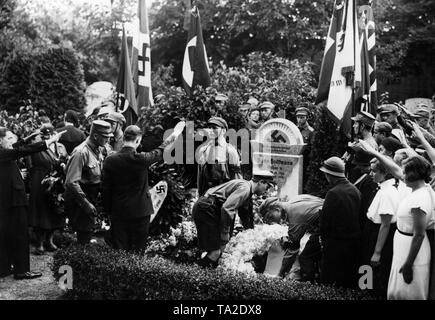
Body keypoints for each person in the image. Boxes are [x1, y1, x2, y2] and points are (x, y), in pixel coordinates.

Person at [0, 126, 64, 280]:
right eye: (9, 138)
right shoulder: (3, 153)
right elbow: (21, 151)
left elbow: (15, 147)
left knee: (5, 234)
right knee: (20, 235)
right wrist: (48, 142)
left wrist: (28, 138)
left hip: (7, 200)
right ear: (0, 141)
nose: (13, 141)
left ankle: (4, 268)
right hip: (14, 201)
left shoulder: (3, 151)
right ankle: (22, 270)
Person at [102, 125, 177, 252]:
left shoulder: (110, 160)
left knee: (120, 251)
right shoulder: (142, 159)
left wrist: (107, 211)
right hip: (141, 212)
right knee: (138, 250)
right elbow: (162, 149)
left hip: (119, 211)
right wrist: (175, 134)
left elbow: (105, 190)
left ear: (124, 138)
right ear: (138, 140)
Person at [192, 169, 275, 268]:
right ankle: (194, 271)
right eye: (267, 186)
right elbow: (227, 208)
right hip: (207, 209)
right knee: (215, 252)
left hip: (208, 208)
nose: (267, 190)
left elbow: (245, 214)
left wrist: (252, 232)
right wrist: (225, 233)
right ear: (261, 182)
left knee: (219, 249)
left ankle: (204, 273)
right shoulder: (245, 189)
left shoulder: (246, 187)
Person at [387, 156, 434, 300]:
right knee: (398, 291)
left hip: (412, 252)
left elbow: (418, 235)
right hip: (403, 247)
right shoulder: (417, 191)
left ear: (414, 174)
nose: (402, 175)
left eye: (405, 172)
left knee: (409, 292)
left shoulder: (420, 199)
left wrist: (408, 264)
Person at [64, 120, 113, 245]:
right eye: (105, 137)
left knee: (88, 233)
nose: (108, 140)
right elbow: (71, 182)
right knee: (83, 236)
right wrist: (86, 204)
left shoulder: (99, 150)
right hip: (82, 199)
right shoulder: (81, 152)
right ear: (95, 136)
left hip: (92, 196)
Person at [319, 156, 361, 288]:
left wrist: (323, 241)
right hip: (353, 244)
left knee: (328, 282)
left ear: (330, 175)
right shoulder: (355, 190)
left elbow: (325, 222)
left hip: (335, 243)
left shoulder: (333, 193)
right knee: (346, 282)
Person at [259, 195, 324, 281]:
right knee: (312, 249)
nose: (270, 221)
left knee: (306, 257)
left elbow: (293, 250)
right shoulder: (295, 200)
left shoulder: (294, 216)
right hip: (332, 219)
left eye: (270, 217)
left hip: (332, 225)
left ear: (277, 209)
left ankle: (308, 285)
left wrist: (280, 275)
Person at [362, 158, 399, 297]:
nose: (370, 174)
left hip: (377, 234)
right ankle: (363, 291)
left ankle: (368, 294)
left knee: (372, 270)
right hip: (371, 231)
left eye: (374, 171)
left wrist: (377, 252)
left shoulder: (388, 193)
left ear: (385, 173)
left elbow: (385, 224)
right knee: (365, 267)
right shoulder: (383, 187)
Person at [28, 124, 68, 255]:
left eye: (50, 134)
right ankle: (39, 243)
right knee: (41, 212)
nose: (49, 137)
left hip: (56, 183)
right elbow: (30, 164)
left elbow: (64, 160)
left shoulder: (60, 147)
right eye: (45, 135)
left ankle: (49, 240)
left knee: (54, 211)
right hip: (40, 182)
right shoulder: (37, 148)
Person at [197, 117, 242, 196]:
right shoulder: (203, 150)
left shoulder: (230, 151)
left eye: (214, 128)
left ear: (223, 131)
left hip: (224, 195)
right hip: (207, 195)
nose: (211, 131)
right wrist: (200, 196)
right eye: (209, 128)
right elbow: (200, 177)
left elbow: (236, 178)